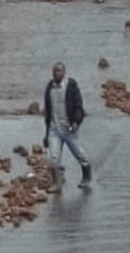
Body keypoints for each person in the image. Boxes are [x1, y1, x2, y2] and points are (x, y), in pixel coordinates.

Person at [42, 62, 92, 191]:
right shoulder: (50, 88)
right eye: (54, 71)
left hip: (69, 128)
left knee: (80, 154)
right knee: (53, 158)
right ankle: (57, 183)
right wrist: (47, 133)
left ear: (64, 72)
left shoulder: (71, 86)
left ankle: (86, 177)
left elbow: (78, 105)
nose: (56, 73)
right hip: (54, 129)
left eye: (58, 71)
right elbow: (48, 111)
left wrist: (76, 121)